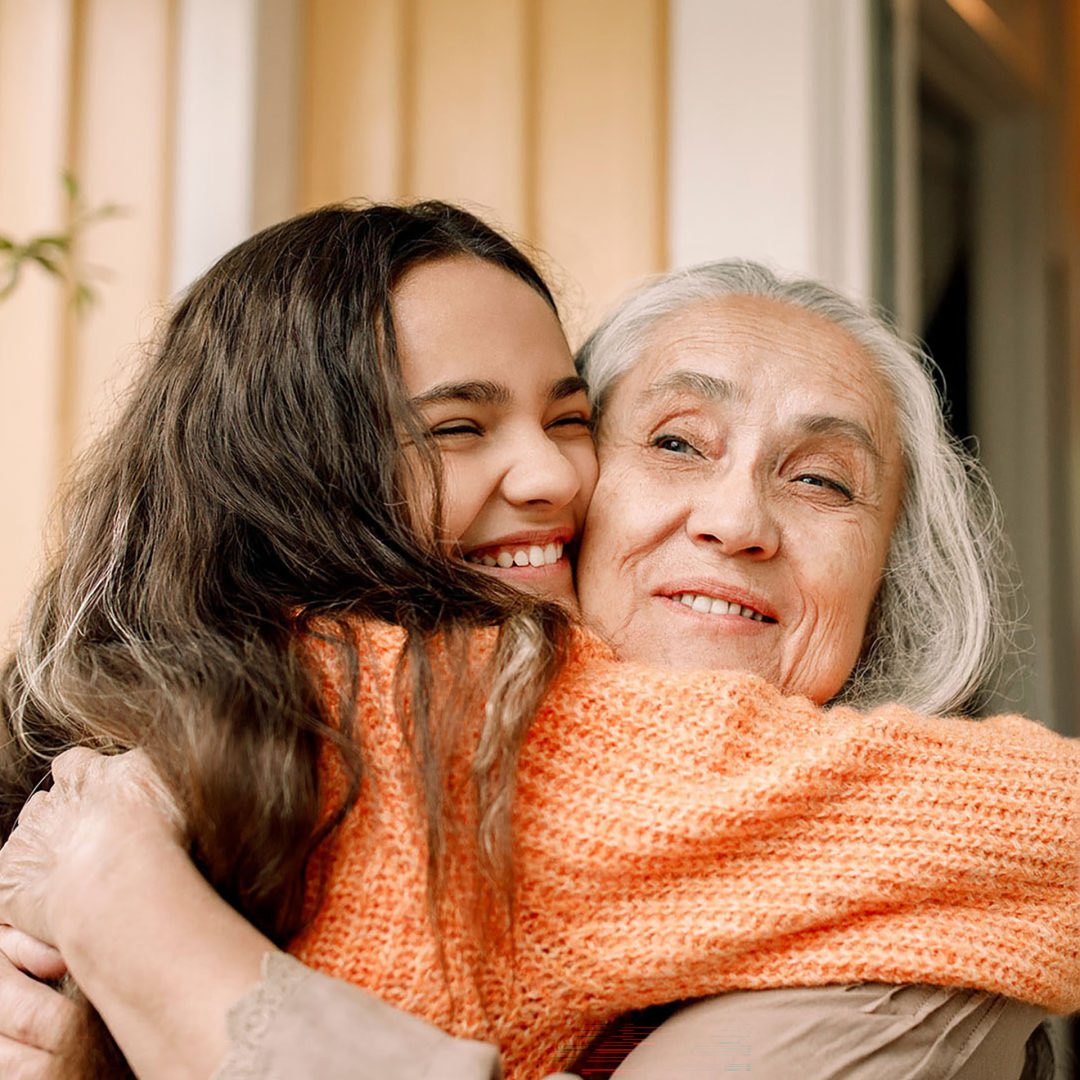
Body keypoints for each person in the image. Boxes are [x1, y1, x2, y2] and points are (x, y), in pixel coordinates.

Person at [0, 207, 1076, 1079]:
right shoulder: (375, 715)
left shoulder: (927, 918)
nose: (737, 520)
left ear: (895, 580)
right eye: (675, 442)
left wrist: (121, 910)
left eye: (823, 480)